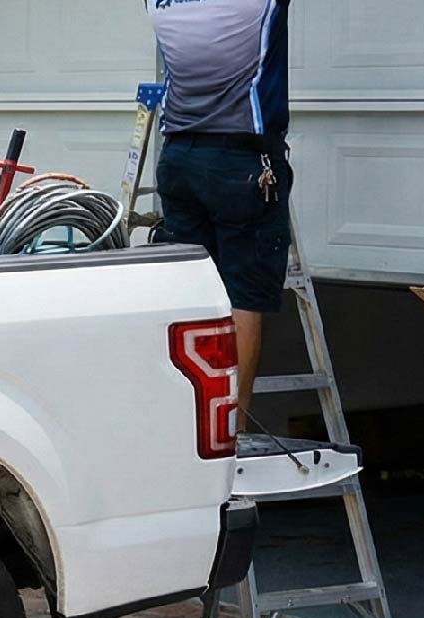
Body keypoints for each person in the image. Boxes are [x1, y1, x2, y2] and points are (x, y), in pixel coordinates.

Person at [147, 0, 292, 429]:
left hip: (178, 156)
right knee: (242, 297)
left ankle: (186, 425)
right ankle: (232, 429)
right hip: (240, 162)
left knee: (190, 296)